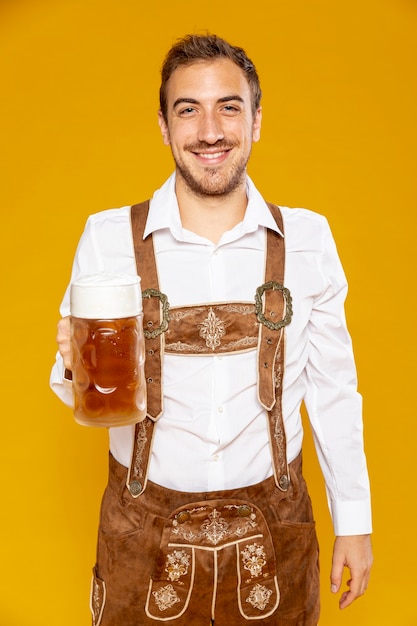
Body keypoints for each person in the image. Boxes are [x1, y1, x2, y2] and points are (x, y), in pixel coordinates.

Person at [50, 33, 373, 626]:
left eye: (229, 107)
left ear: (256, 121)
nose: (210, 131)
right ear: (164, 125)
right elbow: (79, 390)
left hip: (276, 535)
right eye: (188, 109)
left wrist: (353, 519)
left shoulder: (308, 239)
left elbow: (334, 391)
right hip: (140, 539)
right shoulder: (106, 238)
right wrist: (76, 366)